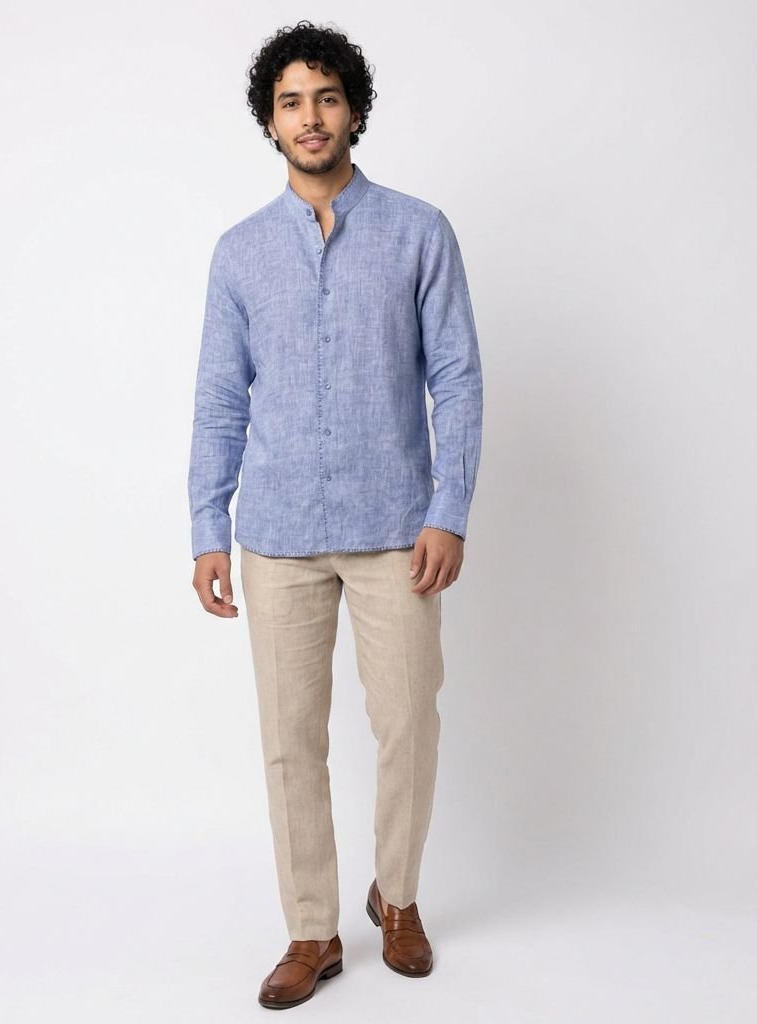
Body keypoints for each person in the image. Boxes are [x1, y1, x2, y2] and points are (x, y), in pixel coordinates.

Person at [187, 19, 484, 1010]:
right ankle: (311, 928)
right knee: (289, 739)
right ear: (270, 122)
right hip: (275, 535)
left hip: (398, 528)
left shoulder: (418, 232)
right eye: (290, 102)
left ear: (353, 110)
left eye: (325, 97)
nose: (309, 117)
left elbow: (457, 377)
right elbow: (218, 399)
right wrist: (207, 528)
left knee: (408, 724)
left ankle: (397, 897)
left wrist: (449, 508)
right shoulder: (239, 254)